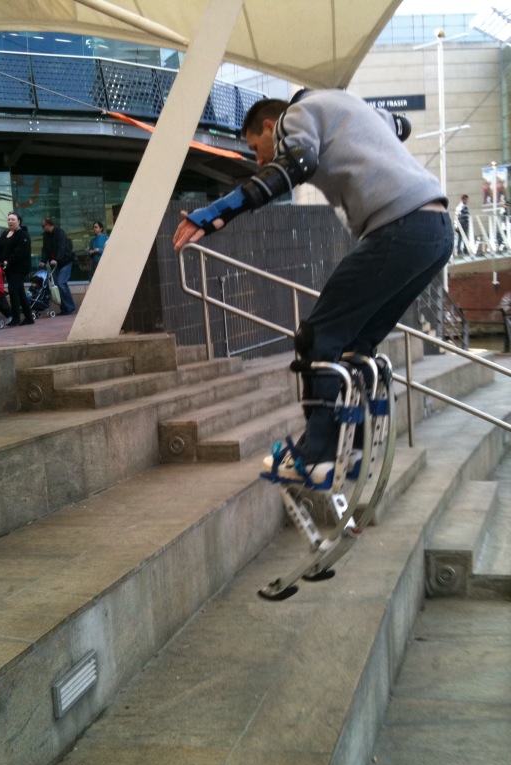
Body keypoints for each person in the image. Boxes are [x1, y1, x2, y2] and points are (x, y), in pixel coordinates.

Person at [173, 91, 453, 488]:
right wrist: (366, 116)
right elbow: (401, 126)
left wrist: (218, 213)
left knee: (317, 335)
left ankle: (317, 455)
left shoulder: (296, 115)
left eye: (256, 147)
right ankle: (351, 450)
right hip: (438, 232)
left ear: (270, 126)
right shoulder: (351, 109)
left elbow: (298, 163)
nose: (259, 159)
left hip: (400, 227)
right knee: (355, 344)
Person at [0, 211, 34, 326]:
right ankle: (29, 317)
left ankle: (16, 318)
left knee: (13, 290)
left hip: (19, 268)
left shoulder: (23, 234)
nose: (10, 221)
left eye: (13, 219)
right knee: (20, 292)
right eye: (9, 219)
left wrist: (8, 261)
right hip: (9, 269)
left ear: (18, 221)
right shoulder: (5, 233)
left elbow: (20, 252)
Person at [39, 217, 76, 314]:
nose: (43, 228)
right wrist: (43, 260)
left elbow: (61, 247)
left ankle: (70, 306)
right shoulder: (45, 235)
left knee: (61, 283)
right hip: (55, 263)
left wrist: (57, 259)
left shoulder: (60, 232)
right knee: (56, 285)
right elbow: (45, 249)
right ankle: (64, 307)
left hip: (65, 261)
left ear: (49, 225)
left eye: (43, 226)